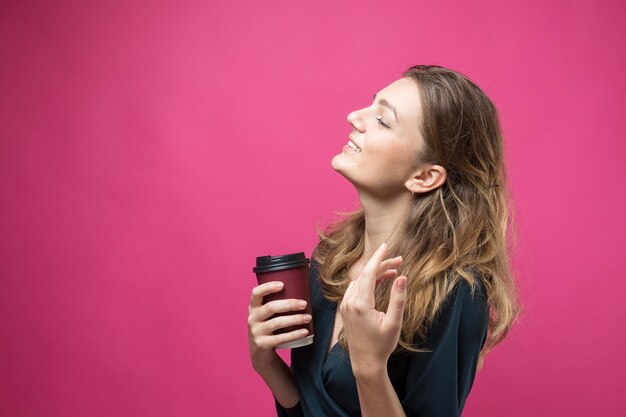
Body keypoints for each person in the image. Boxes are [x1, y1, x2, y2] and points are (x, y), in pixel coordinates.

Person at [247, 65, 520, 417]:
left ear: (424, 176)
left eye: (383, 120)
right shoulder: (332, 257)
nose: (354, 117)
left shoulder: (455, 293)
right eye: (370, 105)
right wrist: (266, 363)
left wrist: (369, 368)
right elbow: (306, 408)